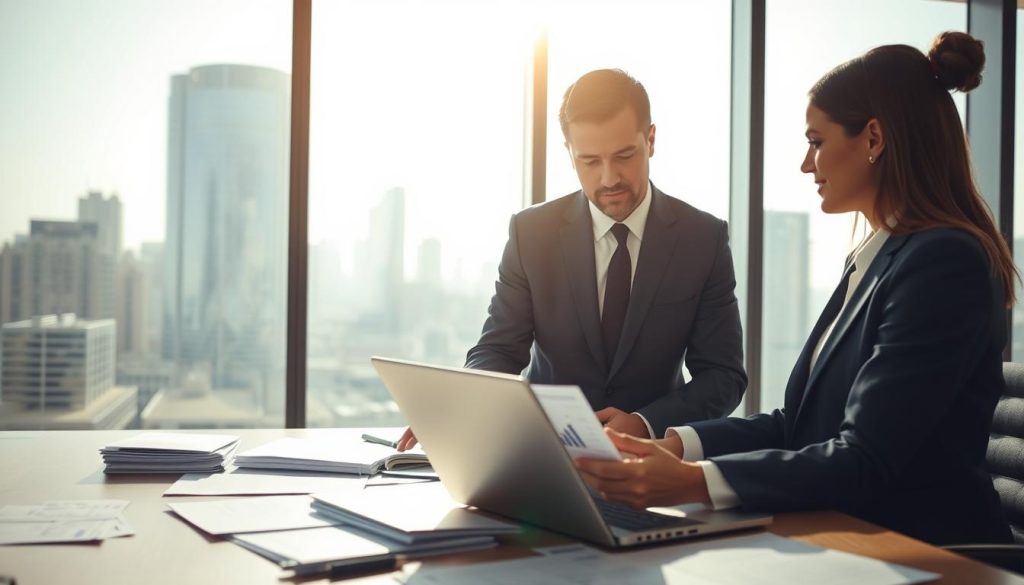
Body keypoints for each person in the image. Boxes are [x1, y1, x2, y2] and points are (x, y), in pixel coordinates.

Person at [576, 32, 1017, 546]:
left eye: (817, 142)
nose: (807, 165)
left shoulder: (943, 263)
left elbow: (864, 458)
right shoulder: (875, 258)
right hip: (850, 537)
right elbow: (799, 425)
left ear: (873, 140)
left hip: (927, 553)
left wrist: (694, 483)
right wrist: (673, 445)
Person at [397, 69, 746, 451]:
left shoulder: (702, 239)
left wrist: (646, 423)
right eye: (590, 161)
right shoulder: (531, 233)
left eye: (624, 156)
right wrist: (457, 403)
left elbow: (723, 376)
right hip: (542, 455)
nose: (609, 177)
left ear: (651, 139)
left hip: (651, 459)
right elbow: (499, 348)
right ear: (568, 152)